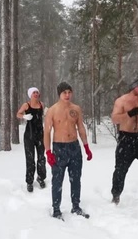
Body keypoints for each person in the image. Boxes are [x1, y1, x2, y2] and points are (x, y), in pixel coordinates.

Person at [43, 82, 93, 220]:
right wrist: (48, 152)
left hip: (74, 147)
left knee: (76, 179)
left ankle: (76, 206)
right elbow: (46, 132)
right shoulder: (52, 110)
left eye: (69, 92)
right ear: (59, 94)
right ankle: (56, 210)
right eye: (64, 92)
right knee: (57, 180)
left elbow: (81, 127)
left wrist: (86, 146)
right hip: (59, 148)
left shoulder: (76, 108)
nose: (67, 95)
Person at [16, 87, 47, 192]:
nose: (36, 94)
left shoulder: (42, 104)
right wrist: (24, 116)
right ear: (30, 94)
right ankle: (29, 181)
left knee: (41, 158)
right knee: (30, 159)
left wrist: (47, 112)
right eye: (34, 92)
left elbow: (46, 114)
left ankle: (41, 177)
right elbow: (18, 114)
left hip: (40, 135)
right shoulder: (26, 105)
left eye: (37, 92)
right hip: (29, 136)